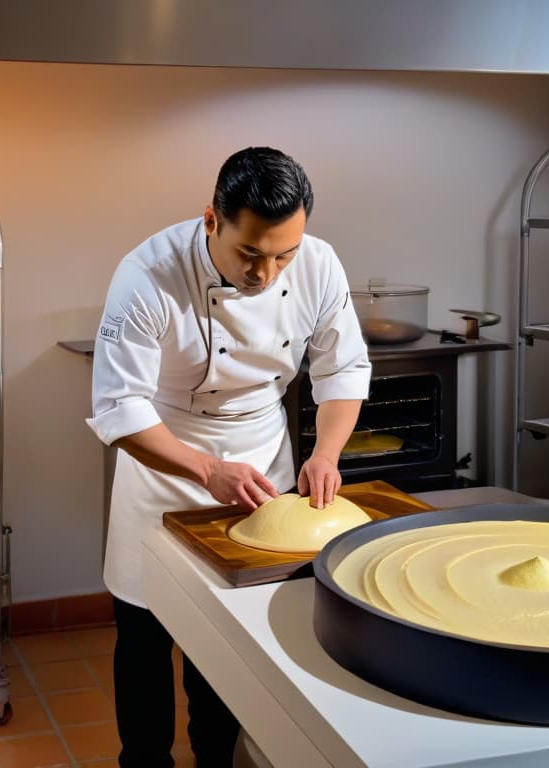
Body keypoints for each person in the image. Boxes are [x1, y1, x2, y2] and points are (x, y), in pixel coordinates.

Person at [87, 146, 370, 767]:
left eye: (282, 255)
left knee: (232, 635)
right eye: (250, 254)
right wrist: (205, 468)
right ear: (212, 220)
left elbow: (343, 367)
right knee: (144, 635)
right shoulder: (148, 273)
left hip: (262, 457)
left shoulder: (318, 265)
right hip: (164, 463)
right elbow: (118, 407)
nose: (266, 273)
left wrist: (326, 452)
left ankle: (216, 759)